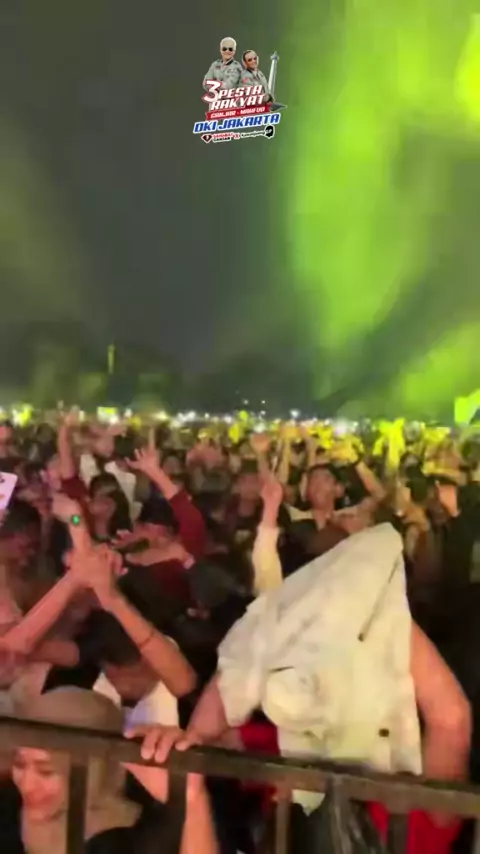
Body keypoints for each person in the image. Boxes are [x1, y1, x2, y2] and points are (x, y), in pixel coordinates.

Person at [0, 686, 219, 854]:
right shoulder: (8, 807)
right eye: (20, 764)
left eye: (46, 771)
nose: (26, 784)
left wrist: (193, 801)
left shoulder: (133, 839)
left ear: (95, 769)